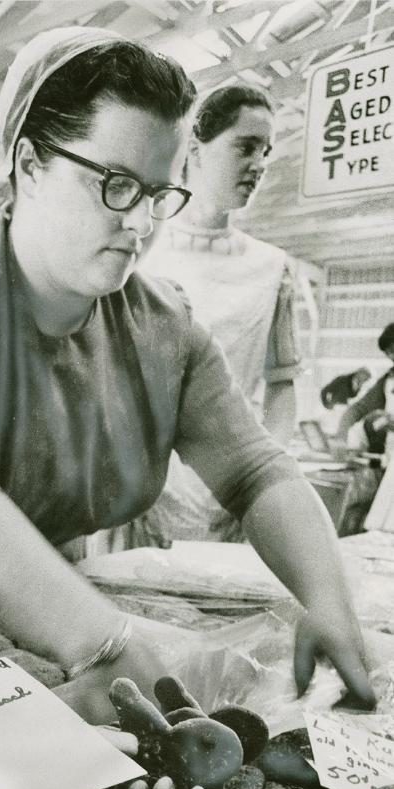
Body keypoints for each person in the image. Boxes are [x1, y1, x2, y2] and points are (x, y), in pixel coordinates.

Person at [0, 27, 374, 722]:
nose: (141, 223)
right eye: (115, 185)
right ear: (28, 165)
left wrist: (328, 602)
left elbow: (255, 472)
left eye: (158, 193)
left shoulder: (161, 327)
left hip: (53, 597)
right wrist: (103, 641)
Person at [123, 82, 303, 545]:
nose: (260, 165)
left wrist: (260, 482)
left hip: (230, 499)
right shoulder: (139, 251)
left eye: (266, 150)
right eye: (246, 147)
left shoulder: (272, 269)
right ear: (196, 151)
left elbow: (282, 386)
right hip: (138, 498)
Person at [337, 323, 394, 452]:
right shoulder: (388, 380)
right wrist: (341, 439)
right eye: (388, 353)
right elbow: (357, 410)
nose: (392, 357)